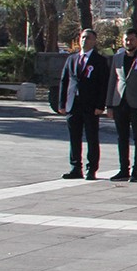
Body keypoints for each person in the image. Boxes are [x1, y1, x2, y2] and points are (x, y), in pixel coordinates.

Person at [55, 28, 110, 180]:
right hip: (74, 104)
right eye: (82, 37)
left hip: (91, 105)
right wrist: (62, 103)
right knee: (74, 137)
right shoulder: (71, 59)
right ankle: (75, 167)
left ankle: (91, 168)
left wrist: (101, 105)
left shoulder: (100, 61)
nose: (84, 40)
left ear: (94, 41)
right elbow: (64, 81)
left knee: (92, 137)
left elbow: (103, 84)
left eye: (88, 38)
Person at [104, 28, 137, 181]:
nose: (128, 42)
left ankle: (136, 170)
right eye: (126, 39)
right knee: (122, 137)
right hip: (120, 102)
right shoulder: (117, 58)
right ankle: (123, 169)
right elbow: (113, 81)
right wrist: (109, 105)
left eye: (131, 39)